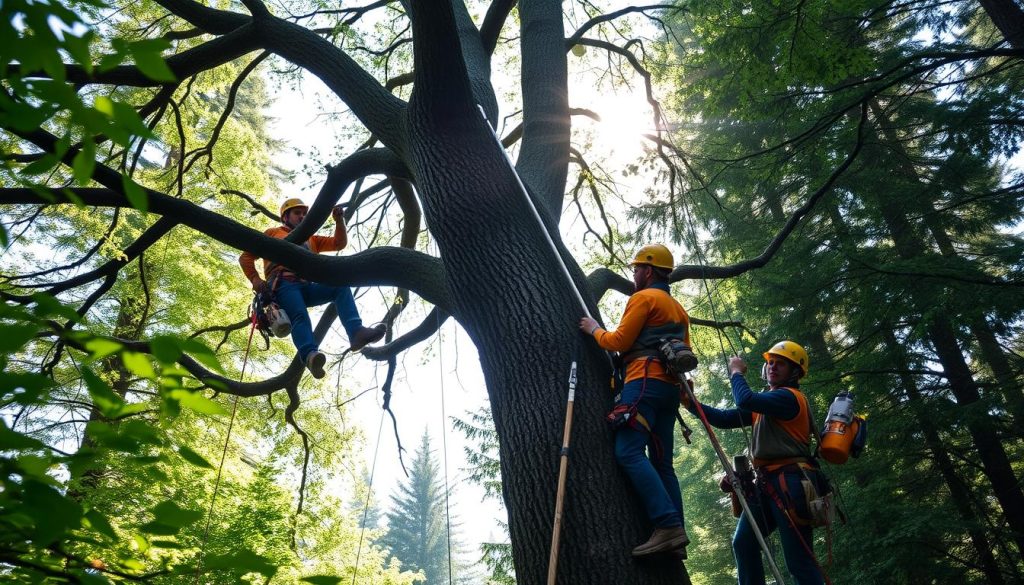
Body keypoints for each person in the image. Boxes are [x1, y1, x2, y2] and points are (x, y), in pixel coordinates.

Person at [579, 243, 690, 558]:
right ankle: (676, 532)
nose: (634, 273)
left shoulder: (643, 298)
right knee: (662, 463)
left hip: (643, 383)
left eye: (637, 268)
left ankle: (667, 525)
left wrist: (594, 329)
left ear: (649, 270)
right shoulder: (678, 310)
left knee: (628, 451)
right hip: (669, 390)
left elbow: (619, 341)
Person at [685, 341, 826, 585]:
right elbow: (723, 418)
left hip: (789, 482)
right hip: (769, 484)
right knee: (744, 544)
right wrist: (689, 402)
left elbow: (745, 400)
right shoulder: (766, 404)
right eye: (770, 362)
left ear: (795, 372)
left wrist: (736, 372)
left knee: (798, 561)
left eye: (780, 364)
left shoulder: (788, 398)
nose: (772, 366)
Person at [239, 198, 386, 378]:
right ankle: (310, 355)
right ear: (285, 217)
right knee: (299, 316)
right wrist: (255, 279)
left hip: (307, 286)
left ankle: (356, 332)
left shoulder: (312, 239)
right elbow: (245, 257)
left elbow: (338, 243)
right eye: (297, 213)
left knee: (340, 287)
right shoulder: (273, 233)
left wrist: (339, 221)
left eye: (304, 214)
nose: (302, 216)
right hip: (283, 284)